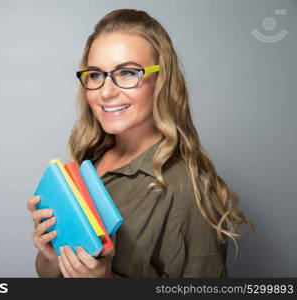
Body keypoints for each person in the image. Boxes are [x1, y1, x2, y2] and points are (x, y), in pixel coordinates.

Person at [26, 8, 253, 278]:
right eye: (96, 75)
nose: (107, 92)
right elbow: (50, 275)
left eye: (127, 73)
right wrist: (50, 255)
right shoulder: (91, 159)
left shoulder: (187, 189)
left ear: (161, 81)